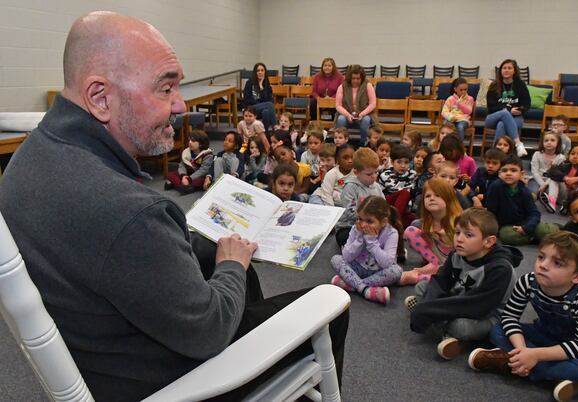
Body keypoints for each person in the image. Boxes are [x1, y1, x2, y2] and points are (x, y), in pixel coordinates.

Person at [0, 12, 348, 401]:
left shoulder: (29, 157)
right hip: (165, 381)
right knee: (330, 307)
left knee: (210, 248)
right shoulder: (131, 213)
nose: (181, 104)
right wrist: (232, 266)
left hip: (99, 350)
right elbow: (209, 329)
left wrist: (226, 262)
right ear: (100, 97)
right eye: (165, 89)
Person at [469, 231, 578, 402]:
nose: (543, 265)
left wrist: (535, 355)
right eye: (541, 257)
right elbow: (509, 316)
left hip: (574, 345)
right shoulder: (527, 282)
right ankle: (537, 367)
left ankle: (509, 362)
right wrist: (523, 349)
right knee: (497, 329)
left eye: (557, 263)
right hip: (543, 333)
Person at [406, 208, 522, 360]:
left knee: (461, 327)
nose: (459, 239)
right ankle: (444, 330)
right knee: (422, 287)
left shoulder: (500, 268)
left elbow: (477, 306)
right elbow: (441, 280)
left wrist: (430, 310)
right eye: (457, 232)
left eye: (468, 235)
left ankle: (454, 337)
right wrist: (428, 306)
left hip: (487, 314)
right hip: (461, 299)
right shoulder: (457, 254)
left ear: (488, 242)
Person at [330, 196, 404, 305]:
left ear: (383, 222)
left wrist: (371, 242)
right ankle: (366, 290)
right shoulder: (356, 229)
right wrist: (359, 238)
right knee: (336, 259)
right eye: (360, 219)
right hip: (357, 267)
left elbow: (387, 263)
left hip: (378, 272)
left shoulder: (391, 233)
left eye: (369, 221)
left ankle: (353, 284)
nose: (363, 224)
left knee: (397, 271)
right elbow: (346, 256)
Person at [485, 155, 559, 245]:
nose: (508, 173)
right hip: (507, 226)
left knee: (546, 231)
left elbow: (534, 213)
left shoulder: (524, 191)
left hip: (525, 223)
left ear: (522, 174)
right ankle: (534, 238)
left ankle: (541, 233)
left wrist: (526, 228)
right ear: (499, 174)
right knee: (506, 235)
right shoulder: (495, 187)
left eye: (513, 170)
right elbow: (490, 211)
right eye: (504, 170)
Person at [403, 179, 463, 284]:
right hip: (437, 258)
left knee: (449, 279)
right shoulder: (428, 220)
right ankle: (433, 264)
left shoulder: (458, 221)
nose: (432, 198)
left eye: (437, 195)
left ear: (448, 198)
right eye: (428, 196)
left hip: (456, 263)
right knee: (410, 231)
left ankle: (420, 276)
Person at [335, 147, 384, 246]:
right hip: (350, 225)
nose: (374, 176)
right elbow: (350, 213)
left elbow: (384, 206)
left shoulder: (377, 187)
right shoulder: (350, 187)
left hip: (373, 223)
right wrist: (368, 218)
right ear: (356, 172)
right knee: (344, 237)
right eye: (369, 174)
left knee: (390, 230)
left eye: (376, 172)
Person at [485, 59, 531, 157]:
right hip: (493, 117)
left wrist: (520, 110)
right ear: (500, 71)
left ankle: (495, 154)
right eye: (504, 68)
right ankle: (518, 143)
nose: (506, 70)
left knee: (502, 125)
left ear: (514, 71)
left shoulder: (520, 85)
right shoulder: (494, 85)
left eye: (509, 68)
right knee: (505, 112)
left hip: (515, 118)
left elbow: (527, 103)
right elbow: (491, 106)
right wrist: (509, 110)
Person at [543, 144, 578, 215]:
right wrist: (565, 178)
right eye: (572, 153)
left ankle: (567, 205)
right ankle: (551, 203)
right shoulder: (565, 164)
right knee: (553, 179)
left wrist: (577, 179)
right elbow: (552, 172)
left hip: (576, 198)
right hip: (563, 195)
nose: (575, 156)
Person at [335, 64, 378, 145]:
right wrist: (347, 115)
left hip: (363, 114)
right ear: (349, 78)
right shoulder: (342, 86)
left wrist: (362, 114)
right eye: (353, 78)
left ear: (362, 78)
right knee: (341, 119)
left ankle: (363, 143)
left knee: (366, 120)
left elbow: (373, 104)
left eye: (358, 78)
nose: (355, 81)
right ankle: (341, 144)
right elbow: (338, 105)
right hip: (347, 114)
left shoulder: (368, 85)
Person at [164, 129, 213, 194]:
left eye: (193, 141)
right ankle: (184, 186)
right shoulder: (187, 152)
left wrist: (189, 178)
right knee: (171, 174)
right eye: (189, 140)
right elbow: (182, 165)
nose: (190, 142)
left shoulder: (207, 154)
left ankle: (178, 185)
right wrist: (183, 176)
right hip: (187, 174)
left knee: (200, 181)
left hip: (198, 175)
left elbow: (203, 170)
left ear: (201, 144)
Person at [529, 131, 565, 204]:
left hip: (553, 181)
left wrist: (546, 184)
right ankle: (536, 195)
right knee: (531, 192)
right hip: (537, 179)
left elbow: (557, 174)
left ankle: (549, 198)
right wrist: (542, 184)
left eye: (552, 140)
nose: (549, 142)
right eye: (546, 140)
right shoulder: (537, 154)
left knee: (555, 189)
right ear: (542, 143)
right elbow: (534, 172)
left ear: (558, 143)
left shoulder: (561, 158)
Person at [242, 62, 277, 130]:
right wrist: (262, 104)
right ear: (255, 72)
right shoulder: (249, 83)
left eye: (262, 70)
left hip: (261, 110)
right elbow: (247, 99)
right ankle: (275, 126)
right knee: (269, 104)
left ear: (265, 72)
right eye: (258, 70)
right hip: (250, 109)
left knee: (266, 112)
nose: (260, 72)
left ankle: (265, 132)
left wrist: (261, 86)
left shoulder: (267, 85)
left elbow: (269, 99)